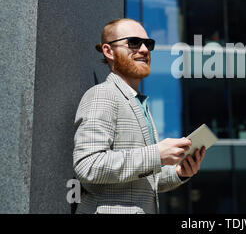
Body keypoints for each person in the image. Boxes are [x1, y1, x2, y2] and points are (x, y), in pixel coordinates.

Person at [73, 18, 206, 214]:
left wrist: (179, 172)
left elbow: (142, 181)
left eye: (148, 44)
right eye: (133, 43)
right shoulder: (102, 95)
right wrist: (157, 154)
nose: (144, 49)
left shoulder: (138, 103)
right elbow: (88, 166)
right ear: (109, 51)